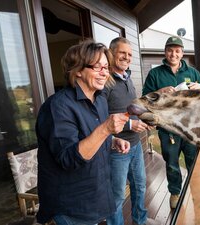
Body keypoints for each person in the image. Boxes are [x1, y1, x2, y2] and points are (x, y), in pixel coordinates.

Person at [35, 39, 130, 225]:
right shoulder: (58, 106)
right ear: (78, 70)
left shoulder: (100, 99)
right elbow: (68, 159)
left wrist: (111, 140)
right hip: (71, 207)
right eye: (97, 67)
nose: (104, 73)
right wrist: (105, 130)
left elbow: (89, 138)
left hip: (95, 198)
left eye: (106, 67)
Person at [142, 36, 200, 209]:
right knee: (171, 164)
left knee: (194, 162)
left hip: (190, 128)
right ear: (165, 52)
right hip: (167, 128)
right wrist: (159, 91)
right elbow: (145, 98)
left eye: (177, 51)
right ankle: (175, 193)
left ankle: (197, 191)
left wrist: (199, 89)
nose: (173, 54)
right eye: (170, 50)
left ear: (182, 53)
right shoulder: (155, 74)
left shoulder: (192, 73)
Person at [104, 37, 155, 225]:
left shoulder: (128, 79)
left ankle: (140, 221)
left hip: (135, 146)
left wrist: (143, 119)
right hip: (116, 149)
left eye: (130, 55)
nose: (127, 57)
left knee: (140, 187)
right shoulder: (105, 82)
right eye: (122, 53)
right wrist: (129, 125)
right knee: (116, 196)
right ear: (111, 53)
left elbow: (131, 109)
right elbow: (99, 118)